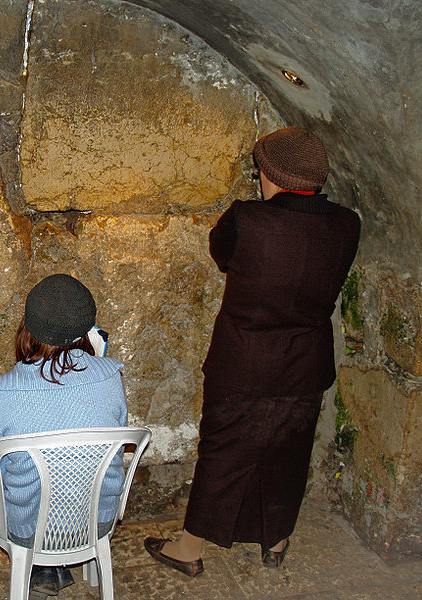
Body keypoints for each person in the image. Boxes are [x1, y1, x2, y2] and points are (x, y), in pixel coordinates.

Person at [144, 127, 361, 576]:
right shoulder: (347, 224)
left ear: (272, 175)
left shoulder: (247, 219)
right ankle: (276, 538)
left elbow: (222, 255)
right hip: (306, 364)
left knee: (223, 452)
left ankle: (189, 549)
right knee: (289, 451)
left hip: (242, 362)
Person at [0, 274, 128, 597]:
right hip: (96, 521)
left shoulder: (0, 393)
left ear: (27, 328)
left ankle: (41, 566)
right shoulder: (112, 377)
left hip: (26, 530)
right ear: (88, 327)